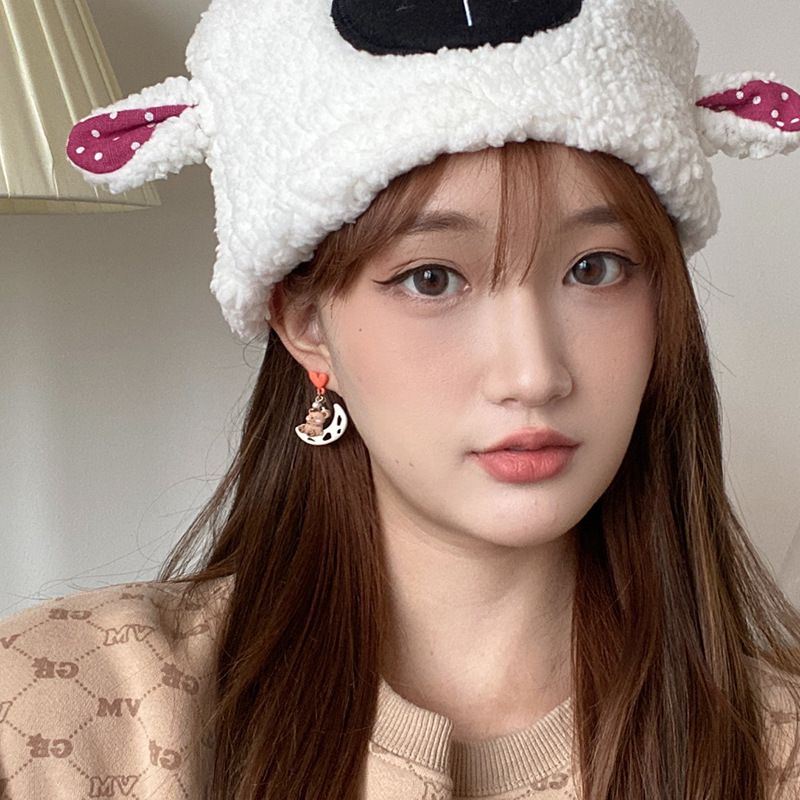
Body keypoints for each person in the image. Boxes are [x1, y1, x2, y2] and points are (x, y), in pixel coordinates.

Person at [2, 1, 800, 799]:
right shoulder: (59, 714)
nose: (533, 375)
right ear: (305, 323)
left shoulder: (777, 751)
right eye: (432, 278)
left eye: (594, 268)